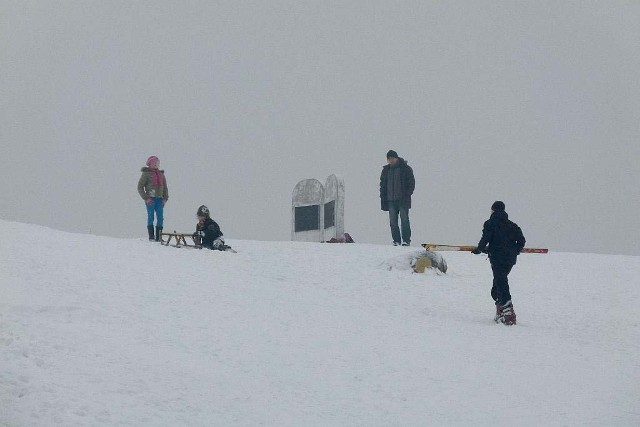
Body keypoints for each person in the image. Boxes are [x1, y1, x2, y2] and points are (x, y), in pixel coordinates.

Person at [472, 201, 526, 325]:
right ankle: (501, 309)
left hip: (497, 258)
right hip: (510, 259)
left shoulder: (490, 223)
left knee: (501, 282)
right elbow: (522, 241)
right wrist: (515, 251)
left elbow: (486, 238)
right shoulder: (513, 225)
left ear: (493, 210)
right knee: (497, 286)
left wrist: (479, 249)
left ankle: (508, 311)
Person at [379, 150, 415, 246]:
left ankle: (406, 241)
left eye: (392, 158)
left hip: (402, 200)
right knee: (393, 222)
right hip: (390, 200)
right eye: (389, 159)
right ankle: (396, 240)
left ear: (396, 158)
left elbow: (411, 183)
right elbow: (382, 185)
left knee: (404, 220)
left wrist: (407, 194)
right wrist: (383, 197)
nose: (391, 160)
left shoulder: (406, 169)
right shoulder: (386, 170)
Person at [137, 156, 169, 241]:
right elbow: (140, 187)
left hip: (160, 199)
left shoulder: (161, 174)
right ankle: (151, 236)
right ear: (150, 164)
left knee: (160, 217)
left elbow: (165, 187)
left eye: (157, 162)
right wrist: (146, 198)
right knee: (150, 216)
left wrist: (165, 198)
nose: (156, 164)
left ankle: (159, 237)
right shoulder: (146, 174)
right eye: (154, 162)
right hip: (150, 199)